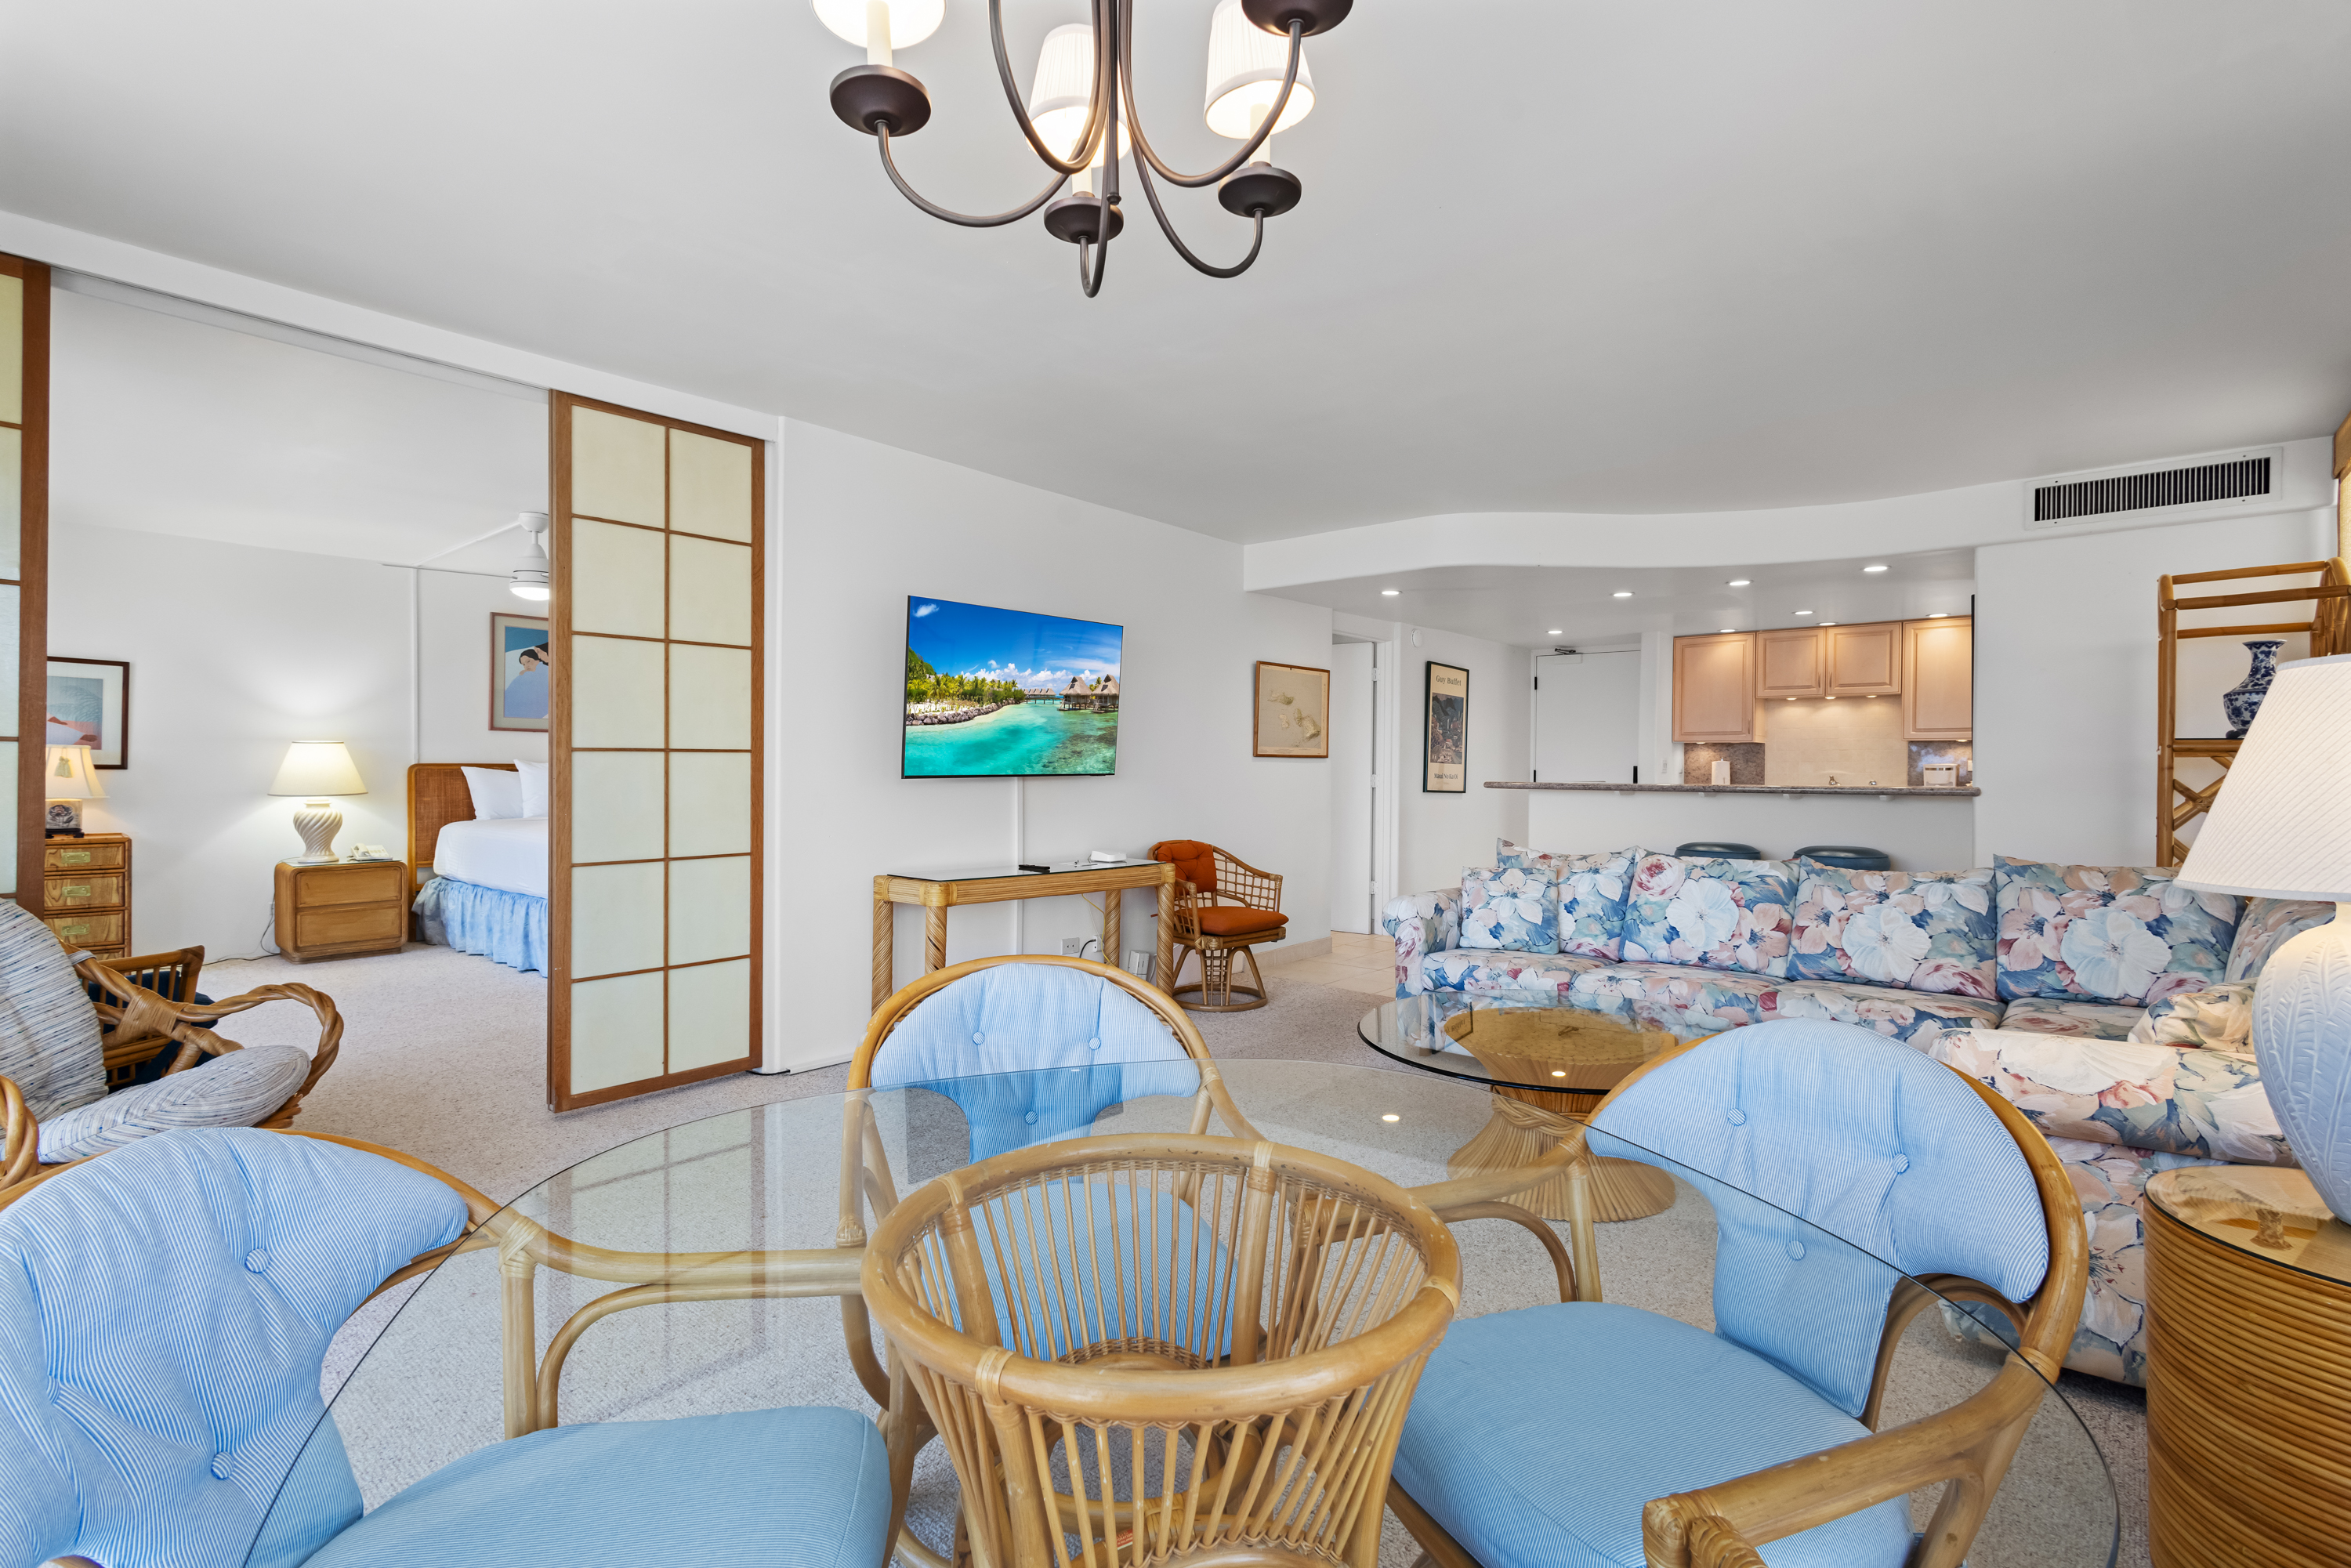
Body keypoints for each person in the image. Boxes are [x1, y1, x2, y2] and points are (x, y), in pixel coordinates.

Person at [506, 644, 551, 719]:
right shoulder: (527, 674)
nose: (526, 666)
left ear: (537, 659)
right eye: (524, 664)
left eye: (528, 661)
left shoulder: (544, 670)